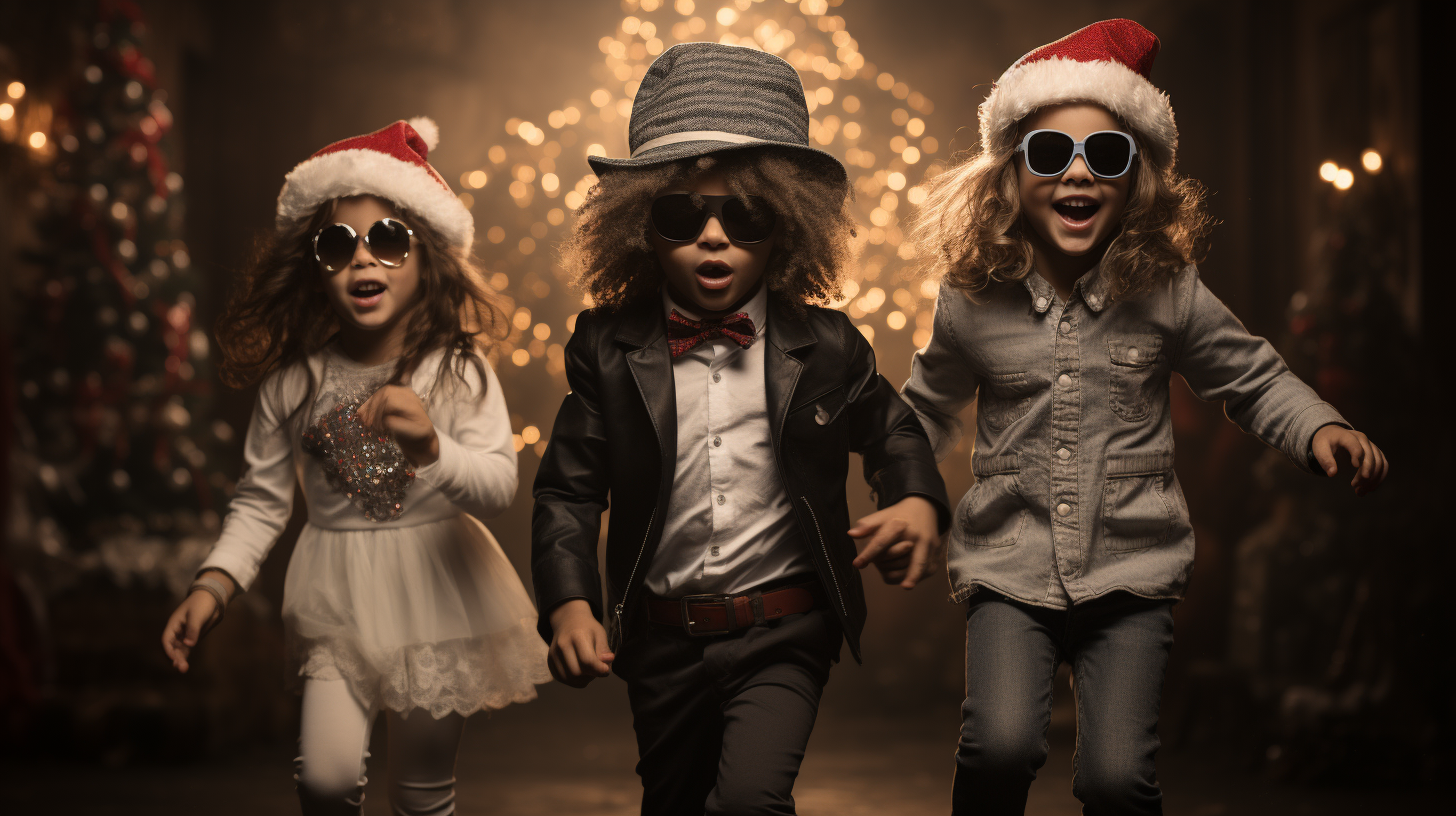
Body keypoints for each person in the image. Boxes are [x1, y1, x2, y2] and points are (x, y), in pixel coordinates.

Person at [903, 20, 1389, 816]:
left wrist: (1318, 428)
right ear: (1010, 176)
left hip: (1132, 574)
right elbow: (923, 412)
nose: (1079, 176)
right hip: (1009, 572)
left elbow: (1252, 376)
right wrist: (907, 494)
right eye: (1052, 156)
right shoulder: (970, 300)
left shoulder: (1168, 290)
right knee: (999, 747)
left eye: (1108, 157)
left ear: (1138, 181)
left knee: (1116, 779)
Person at [532, 42, 951, 816]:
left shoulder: (826, 347)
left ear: (787, 226)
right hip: (660, 641)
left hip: (786, 629)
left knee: (752, 800)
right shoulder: (607, 347)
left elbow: (893, 432)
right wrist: (568, 604)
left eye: (747, 213)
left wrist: (917, 499)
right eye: (682, 212)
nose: (714, 235)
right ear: (640, 227)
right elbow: (567, 491)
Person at [159, 118, 550, 815]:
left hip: (440, 593)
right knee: (326, 781)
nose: (363, 261)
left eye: (389, 240)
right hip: (336, 596)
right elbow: (260, 501)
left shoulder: (458, 372)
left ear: (426, 256)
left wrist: (430, 446)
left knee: (423, 796)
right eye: (338, 246)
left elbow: (497, 485)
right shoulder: (293, 384)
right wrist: (213, 585)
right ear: (317, 269)